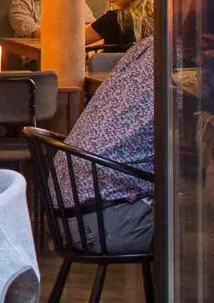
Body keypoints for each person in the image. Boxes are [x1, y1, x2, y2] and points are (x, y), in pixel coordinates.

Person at [52, 36, 155, 254]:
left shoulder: (145, 49)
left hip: (66, 214)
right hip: (103, 223)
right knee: (196, 226)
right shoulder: (174, 68)